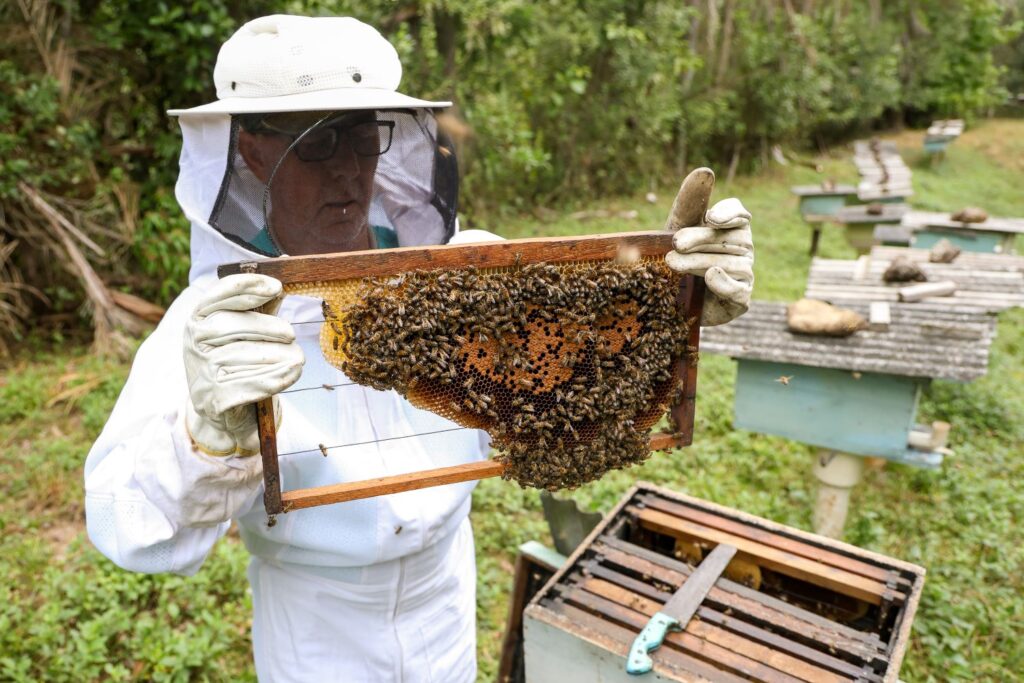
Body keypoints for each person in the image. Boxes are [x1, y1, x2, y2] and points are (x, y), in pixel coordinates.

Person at [84, 14, 753, 682]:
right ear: (253, 152)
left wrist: (671, 309)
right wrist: (206, 440)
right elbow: (132, 528)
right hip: (317, 633)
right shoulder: (210, 329)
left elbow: (566, 400)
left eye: (364, 136)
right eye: (318, 144)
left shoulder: (468, 277)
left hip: (446, 605)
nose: (350, 171)